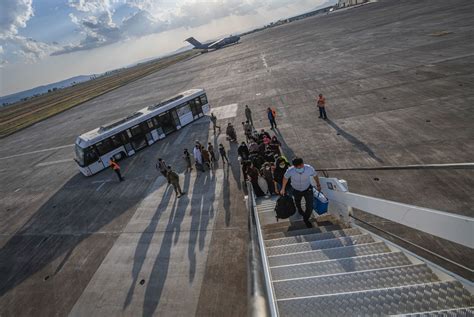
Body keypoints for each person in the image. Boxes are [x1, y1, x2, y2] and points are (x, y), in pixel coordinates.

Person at [281, 157, 321, 228]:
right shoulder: (290, 170)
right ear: (294, 166)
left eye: (300, 166)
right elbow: (285, 178)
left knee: (310, 206)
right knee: (297, 202)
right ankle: (299, 209)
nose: (299, 168)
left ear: (303, 164)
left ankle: (306, 219)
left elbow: (315, 175)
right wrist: (283, 188)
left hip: (307, 189)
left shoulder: (309, 168)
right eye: (297, 167)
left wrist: (318, 184)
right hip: (296, 190)